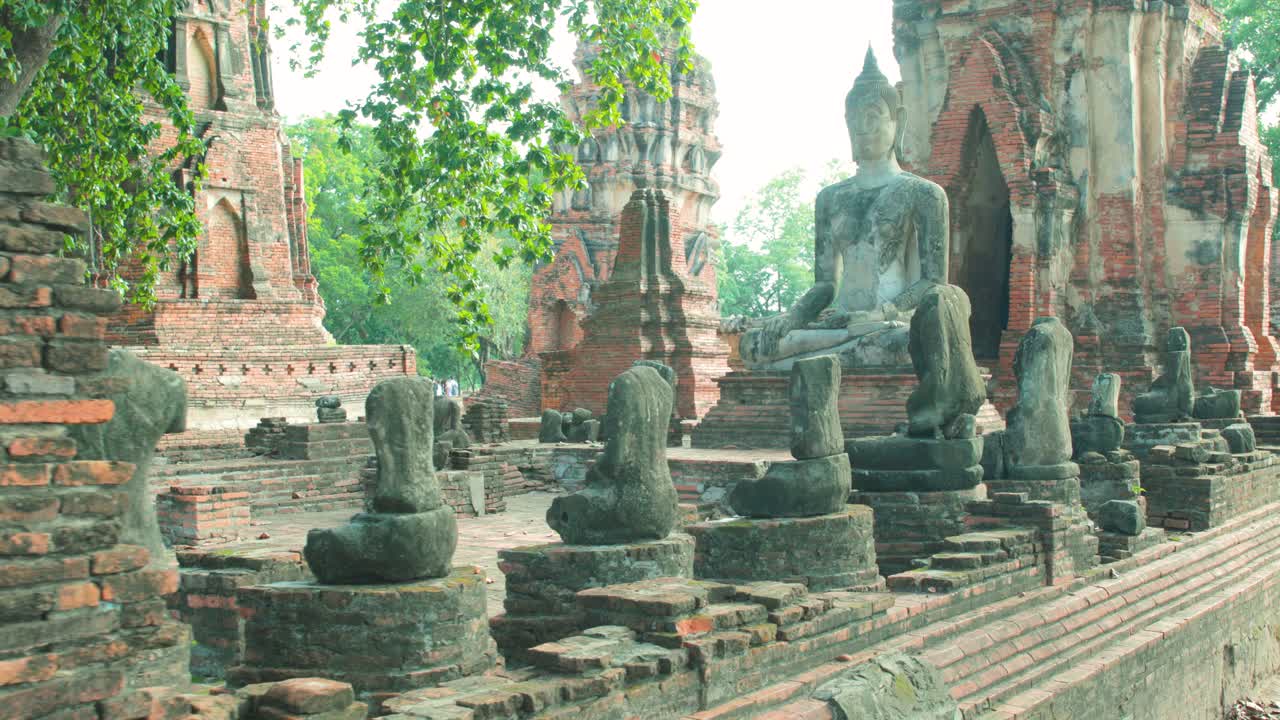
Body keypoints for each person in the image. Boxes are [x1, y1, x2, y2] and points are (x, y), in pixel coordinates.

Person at [738, 47, 950, 372]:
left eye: (872, 118)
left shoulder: (922, 193)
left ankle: (813, 365)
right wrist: (793, 317)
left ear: (899, 121)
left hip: (889, 325)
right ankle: (823, 361)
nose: (862, 129)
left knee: (900, 346)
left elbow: (934, 282)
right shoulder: (831, 198)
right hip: (841, 323)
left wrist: (883, 313)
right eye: (854, 120)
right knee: (753, 344)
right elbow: (826, 285)